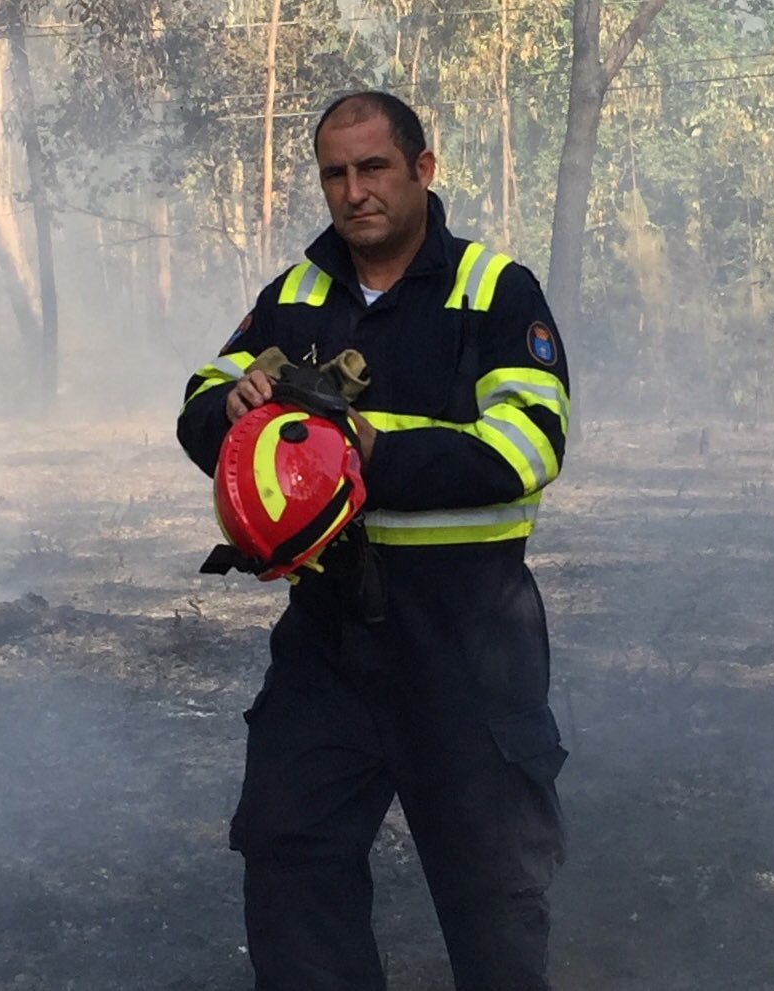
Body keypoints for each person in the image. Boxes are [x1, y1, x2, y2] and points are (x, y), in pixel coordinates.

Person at [177, 91, 570, 991]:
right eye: (335, 174)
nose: (354, 191)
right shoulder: (297, 294)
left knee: (494, 899)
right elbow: (204, 391)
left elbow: (529, 442)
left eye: (374, 168)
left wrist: (371, 452)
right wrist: (227, 412)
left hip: (467, 644)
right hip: (328, 637)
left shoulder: (493, 290)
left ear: (422, 170)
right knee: (290, 856)